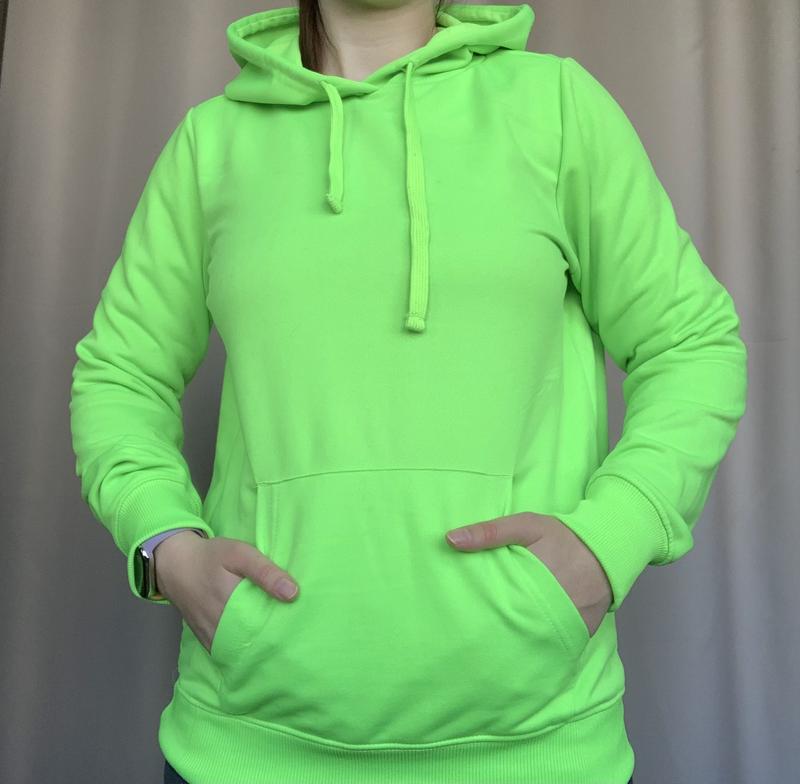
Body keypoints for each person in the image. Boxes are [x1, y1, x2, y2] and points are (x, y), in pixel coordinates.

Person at [68, 0, 748, 782]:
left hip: (536, 750)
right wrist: (164, 545)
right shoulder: (212, 144)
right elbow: (122, 374)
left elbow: (690, 342)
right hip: (244, 749)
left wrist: (612, 539)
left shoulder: (556, 109)